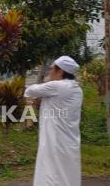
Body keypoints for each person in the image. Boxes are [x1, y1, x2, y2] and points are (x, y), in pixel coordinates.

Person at [24, 56, 82, 186]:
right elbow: (55, 102)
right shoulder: (76, 88)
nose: (49, 72)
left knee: (51, 173)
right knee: (67, 172)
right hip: (69, 138)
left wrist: (41, 90)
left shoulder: (58, 86)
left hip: (55, 139)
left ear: (60, 71)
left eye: (51, 69)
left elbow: (30, 90)